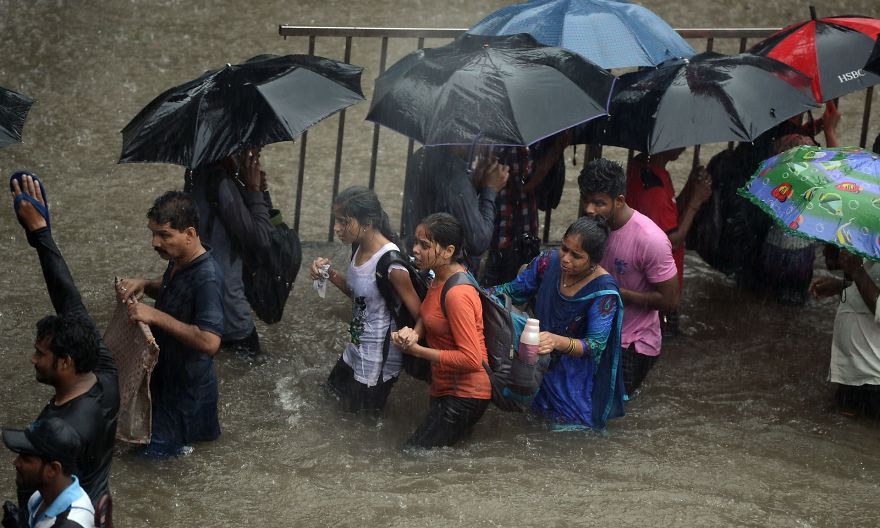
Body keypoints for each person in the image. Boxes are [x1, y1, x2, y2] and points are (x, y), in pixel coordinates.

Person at [7, 173, 118, 519]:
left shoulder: (61, 431)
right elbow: (69, 301)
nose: (33, 359)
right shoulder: (104, 374)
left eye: (42, 354)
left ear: (66, 362)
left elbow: (34, 486)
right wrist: (41, 235)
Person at [487, 216, 626, 429]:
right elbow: (513, 291)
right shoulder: (546, 262)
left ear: (594, 261)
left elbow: (594, 345)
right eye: (564, 248)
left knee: (569, 432)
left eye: (576, 256)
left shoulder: (603, 292)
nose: (565, 258)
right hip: (536, 358)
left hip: (573, 378)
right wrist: (474, 293)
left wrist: (556, 341)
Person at [116, 191, 224, 457]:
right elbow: (175, 292)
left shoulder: (207, 278)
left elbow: (210, 341)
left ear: (189, 234)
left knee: (143, 466)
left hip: (186, 399)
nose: (155, 242)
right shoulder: (180, 261)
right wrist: (146, 284)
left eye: (164, 235)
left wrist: (153, 316)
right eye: (153, 233)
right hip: (169, 385)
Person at [308, 186, 421, 415]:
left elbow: (423, 314)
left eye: (343, 221)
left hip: (377, 360)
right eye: (336, 221)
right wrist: (329, 273)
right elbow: (359, 295)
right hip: (357, 344)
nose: (336, 228)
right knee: (328, 398)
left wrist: (413, 337)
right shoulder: (358, 245)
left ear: (367, 223)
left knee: (360, 422)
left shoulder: (392, 265)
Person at [578, 159, 679, 396]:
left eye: (599, 203)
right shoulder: (592, 227)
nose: (589, 209)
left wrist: (616, 292)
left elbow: (671, 301)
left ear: (620, 200)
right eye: (586, 200)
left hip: (632, 345)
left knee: (606, 412)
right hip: (596, 335)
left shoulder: (650, 239)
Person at [391, 213, 491, 448]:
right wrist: (415, 333)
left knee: (411, 457)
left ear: (448, 251)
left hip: (466, 394)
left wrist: (416, 351)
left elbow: (472, 359)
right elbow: (431, 313)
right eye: (415, 242)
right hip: (446, 388)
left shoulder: (458, 294)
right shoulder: (439, 277)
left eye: (424, 245)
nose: (415, 249)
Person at [185, 147, 274, 358]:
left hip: (204, 306)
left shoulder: (195, 174)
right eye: (251, 149)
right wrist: (254, 191)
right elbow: (261, 239)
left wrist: (252, 189)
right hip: (231, 316)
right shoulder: (221, 183)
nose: (255, 155)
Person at [624, 148, 712, 337]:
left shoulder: (643, 168)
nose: (684, 147)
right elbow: (670, 242)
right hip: (660, 286)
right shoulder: (654, 188)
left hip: (642, 279)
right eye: (680, 143)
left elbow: (668, 217)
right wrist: (695, 202)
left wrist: (690, 188)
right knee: (663, 343)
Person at [481, 133, 571, 286]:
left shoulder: (508, 140)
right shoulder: (520, 143)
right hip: (509, 214)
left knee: (511, 268)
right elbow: (527, 175)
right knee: (512, 269)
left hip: (514, 215)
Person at [402, 146, 510, 271]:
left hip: (416, 258)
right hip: (443, 272)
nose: (483, 147)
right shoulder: (455, 178)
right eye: (480, 141)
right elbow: (479, 241)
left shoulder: (421, 156)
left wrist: (475, 183)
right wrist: (490, 190)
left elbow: (447, 203)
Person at [810, 249, 880, 417]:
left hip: (873, 381)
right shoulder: (874, 243)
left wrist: (857, 271)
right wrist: (841, 286)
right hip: (856, 373)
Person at [3, 418, 95, 528]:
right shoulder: (39, 497)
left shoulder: (71, 522)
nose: (16, 462)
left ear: (53, 469)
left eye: (26, 459)